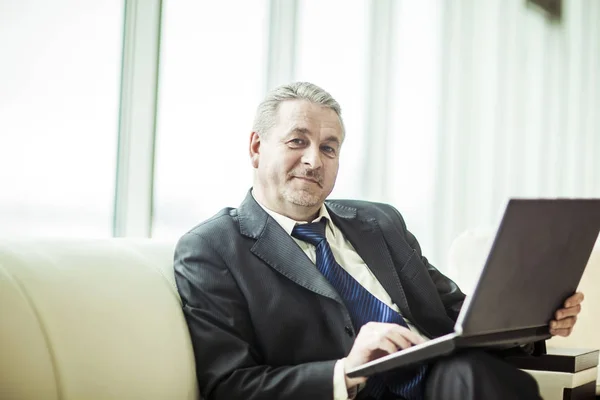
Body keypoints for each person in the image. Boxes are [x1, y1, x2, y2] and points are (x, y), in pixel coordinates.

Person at [174, 82, 584, 400]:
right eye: (297, 141)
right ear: (257, 147)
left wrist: (531, 324)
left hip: (448, 383)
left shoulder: (380, 221)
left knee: (474, 375)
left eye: (329, 148)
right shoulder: (211, 249)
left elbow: (458, 317)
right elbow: (228, 385)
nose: (314, 160)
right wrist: (346, 370)